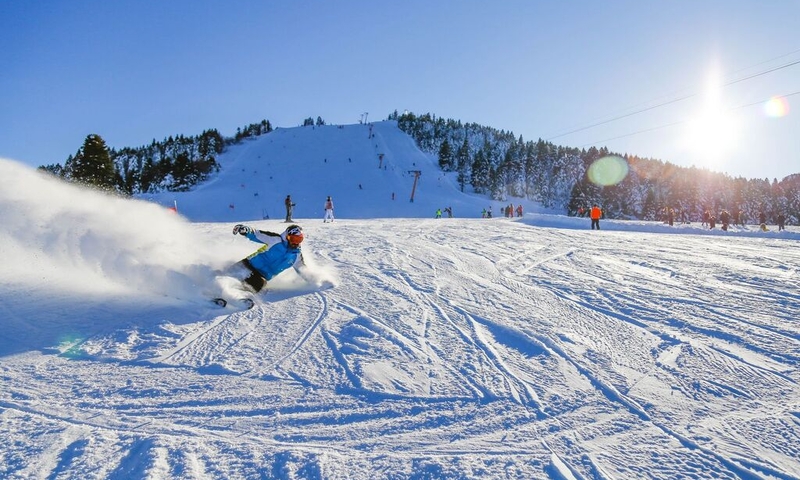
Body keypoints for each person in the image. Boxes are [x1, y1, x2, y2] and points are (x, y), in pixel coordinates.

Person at [228, 223, 309, 293]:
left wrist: (314, 280)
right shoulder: (276, 240)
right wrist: (245, 230)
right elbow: (257, 234)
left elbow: (303, 270)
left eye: (299, 240)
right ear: (287, 237)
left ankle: (236, 294)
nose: (295, 243)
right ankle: (217, 281)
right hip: (249, 264)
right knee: (229, 274)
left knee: (258, 284)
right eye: (293, 239)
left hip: (261, 276)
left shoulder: (296, 256)